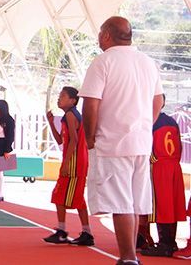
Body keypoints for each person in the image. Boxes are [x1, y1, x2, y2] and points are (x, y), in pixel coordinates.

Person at [79, 16, 163, 265]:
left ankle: (127, 258)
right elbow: (158, 101)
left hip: (113, 142)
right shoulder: (147, 62)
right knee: (134, 201)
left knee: (121, 202)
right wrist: (144, 125)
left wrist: (90, 137)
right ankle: (131, 256)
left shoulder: (103, 61)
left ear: (106, 35)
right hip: (140, 142)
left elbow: (91, 104)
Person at [43, 87, 93, 246]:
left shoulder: (71, 115)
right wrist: (51, 123)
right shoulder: (67, 116)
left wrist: (66, 164)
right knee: (65, 196)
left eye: (63, 96)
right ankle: (72, 231)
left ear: (73, 100)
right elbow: (60, 140)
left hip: (74, 163)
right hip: (74, 161)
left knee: (67, 196)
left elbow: (75, 140)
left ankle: (72, 232)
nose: (59, 99)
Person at [138, 96, 185, 258]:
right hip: (173, 165)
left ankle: (164, 244)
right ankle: (170, 242)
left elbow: (145, 146)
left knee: (161, 206)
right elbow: (179, 145)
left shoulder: (150, 121)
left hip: (158, 165)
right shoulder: (172, 121)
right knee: (171, 205)